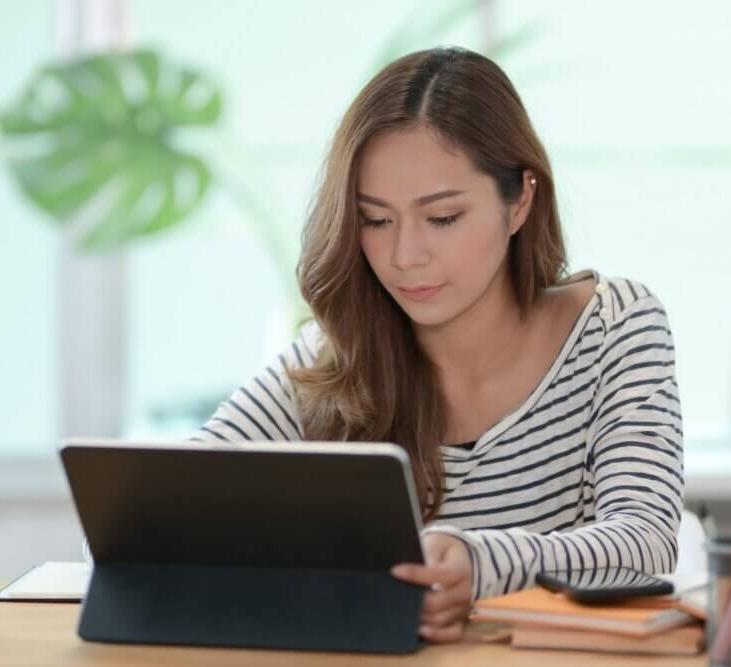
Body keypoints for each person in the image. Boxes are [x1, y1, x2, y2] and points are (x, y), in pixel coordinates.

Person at [189, 47, 683, 644]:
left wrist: (476, 564)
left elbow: (646, 541)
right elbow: (157, 515)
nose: (405, 257)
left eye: (443, 217)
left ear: (521, 199)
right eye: (376, 220)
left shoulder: (615, 327)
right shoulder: (337, 353)